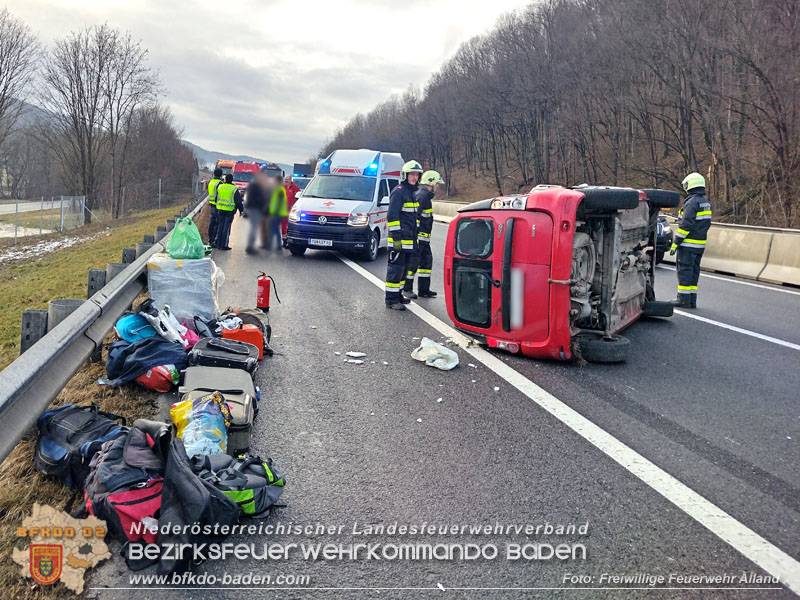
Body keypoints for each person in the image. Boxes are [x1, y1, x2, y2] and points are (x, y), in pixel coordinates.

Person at [385, 160, 424, 310]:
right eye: (411, 174)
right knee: (395, 270)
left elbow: (413, 220)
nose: (414, 177)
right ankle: (391, 299)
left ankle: (398, 295)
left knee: (403, 270)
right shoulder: (399, 191)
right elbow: (392, 216)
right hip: (399, 241)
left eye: (417, 175)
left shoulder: (412, 193)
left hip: (409, 241)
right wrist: (396, 239)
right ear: (405, 175)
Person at [670, 171, 712, 308]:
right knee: (694, 272)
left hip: (688, 245)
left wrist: (676, 242)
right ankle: (692, 299)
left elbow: (686, 225)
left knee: (684, 271)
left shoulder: (692, 202)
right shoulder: (705, 202)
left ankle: (683, 299)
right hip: (700, 245)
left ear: (690, 185)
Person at [404, 170, 443, 298]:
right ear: (431, 183)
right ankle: (407, 289)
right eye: (437, 183)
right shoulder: (422, 196)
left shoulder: (426, 197)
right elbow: (415, 218)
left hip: (424, 240)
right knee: (413, 264)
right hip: (418, 239)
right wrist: (415, 237)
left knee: (426, 262)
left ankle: (424, 290)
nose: (438, 186)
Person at [244, 170, 271, 254]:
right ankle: (250, 247)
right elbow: (257, 198)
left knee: (254, 227)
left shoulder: (254, 185)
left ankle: (251, 246)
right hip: (254, 209)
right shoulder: (256, 186)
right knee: (254, 228)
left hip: (254, 208)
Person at [214, 174, 243, 251]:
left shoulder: (220, 187)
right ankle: (224, 245)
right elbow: (238, 201)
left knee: (220, 227)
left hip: (220, 210)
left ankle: (218, 244)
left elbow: (216, 199)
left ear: (225, 179)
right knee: (226, 228)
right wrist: (241, 210)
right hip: (229, 211)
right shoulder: (234, 188)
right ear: (232, 180)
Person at [266, 177, 288, 251]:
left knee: (273, 229)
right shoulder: (278, 189)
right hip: (277, 213)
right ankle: (277, 245)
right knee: (275, 229)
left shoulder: (279, 190)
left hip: (277, 213)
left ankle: (271, 245)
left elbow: (279, 203)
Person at [281, 175, 301, 239]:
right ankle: (284, 236)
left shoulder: (295, 188)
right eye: (285, 179)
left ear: (290, 180)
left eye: (287, 179)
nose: (286, 181)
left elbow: (299, 198)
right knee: (283, 223)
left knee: (290, 223)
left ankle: (289, 236)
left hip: (292, 209)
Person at [207, 168, 222, 247]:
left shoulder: (211, 182)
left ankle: (210, 239)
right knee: (216, 223)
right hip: (217, 205)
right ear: (221, 175)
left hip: (212, 204)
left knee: (211, 223)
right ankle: (213, 240)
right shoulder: (220, 183)